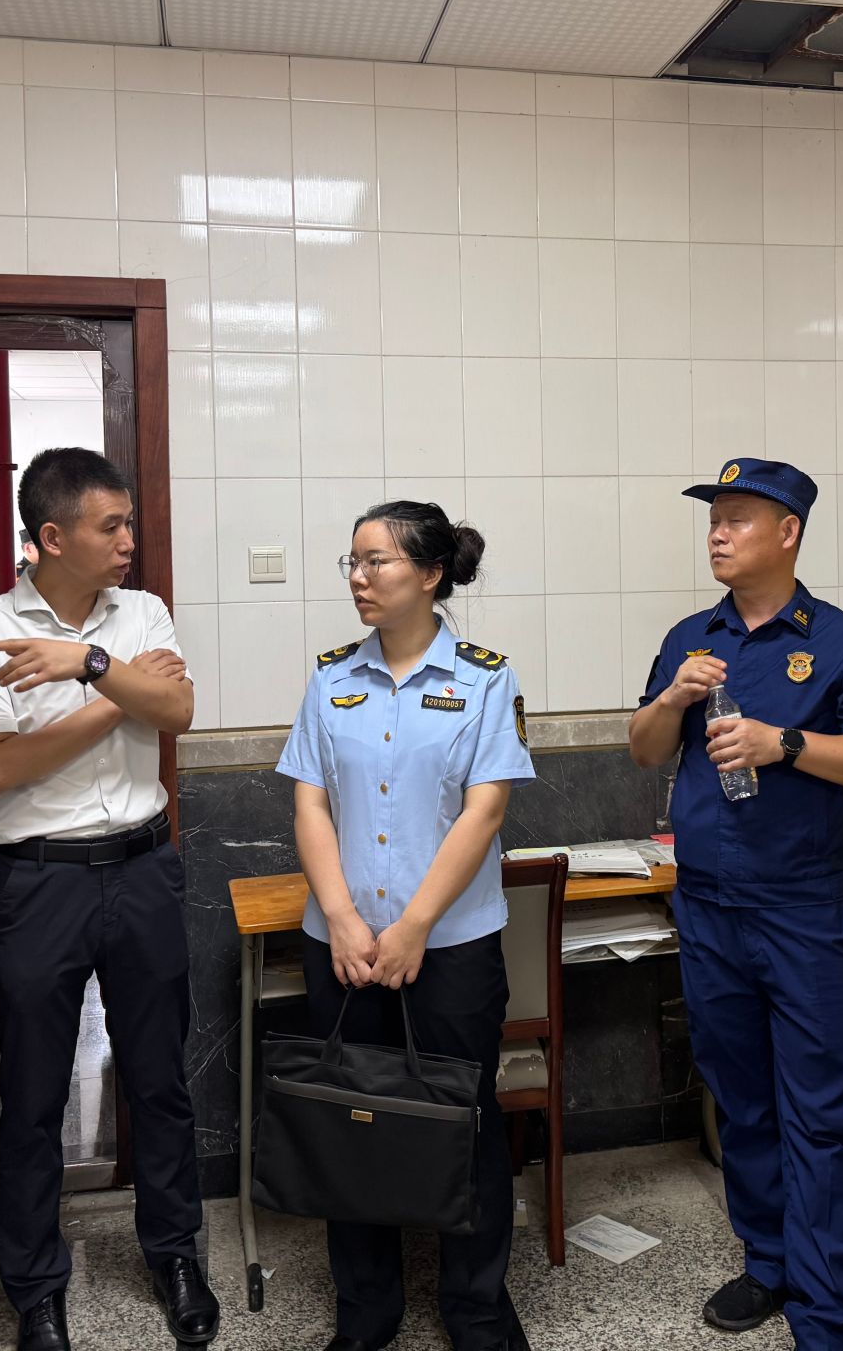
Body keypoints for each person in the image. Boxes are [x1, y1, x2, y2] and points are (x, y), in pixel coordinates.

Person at [626, 458, 843, 1351]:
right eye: (714, 518)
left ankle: (828, 1311)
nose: (718, 532)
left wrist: (784, 742)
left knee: (819, 1113)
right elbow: (643, 749)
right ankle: (770, 1263)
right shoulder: (691, 637)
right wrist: (673, 695)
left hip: (800, 911)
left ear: (788, 533)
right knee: (742, 1102)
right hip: (708, 907)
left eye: (739, 517)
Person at [0, 448, 217, 1351]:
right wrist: (115, 690)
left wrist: (86, 662)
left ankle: (176, 1257)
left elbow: (178, 713)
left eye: (128, 522)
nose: (129, 540)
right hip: (41, 881)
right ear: (53, 537)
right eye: (113, 526)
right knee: (32, 1093)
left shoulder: (141, 613)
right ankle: (35, 1289)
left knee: (159, 1080)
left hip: (144, 869)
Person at [275, 500, 536, 1351]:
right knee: (352, 1124)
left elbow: (484, 811)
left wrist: (415, 924)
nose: (358, 577)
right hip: (344, 946)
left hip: (450, 947)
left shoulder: (486, 679)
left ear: (429, 575)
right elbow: (310, 805)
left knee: (466, 1123)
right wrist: (342, 918)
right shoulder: (331, 679)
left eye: (376, 561)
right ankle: (366, 1312)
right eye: (352, 562)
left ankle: (477, 1310)